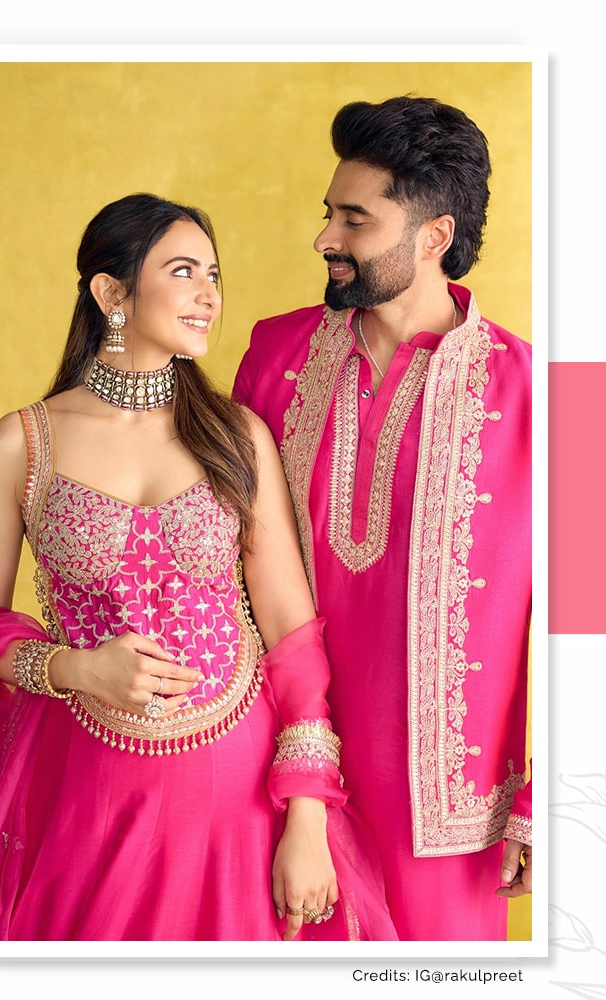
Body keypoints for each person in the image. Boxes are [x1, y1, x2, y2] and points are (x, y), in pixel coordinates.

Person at [0, 192, 398, 943]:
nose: (210, 295)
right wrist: (75, 668)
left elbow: (293, 640)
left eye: (213, 273)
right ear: (111, 292)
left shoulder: (237, 436)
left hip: (235, 795)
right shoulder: (22, 443)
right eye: (183, 272)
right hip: (85, 786)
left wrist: (306, 815)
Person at [233, 96, 532, 941]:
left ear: (433, 235)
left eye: (352, 219)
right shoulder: (275, 352)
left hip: (446, 820)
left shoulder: (555, 397)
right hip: (278, 778)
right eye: (328, 213)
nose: (325, 238)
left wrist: (557, 795)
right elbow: (223, 553)